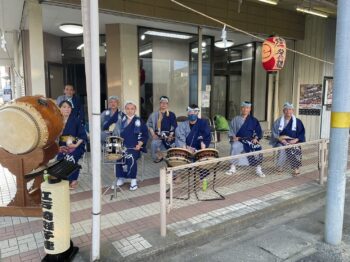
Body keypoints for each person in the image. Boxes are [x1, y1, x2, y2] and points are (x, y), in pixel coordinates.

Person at [112, 101, 148, 191]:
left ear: (135, 110)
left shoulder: (139, 121)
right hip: (122, 146)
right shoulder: (121, 121)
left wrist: (140, 144)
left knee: (130, 157)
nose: (130, 111)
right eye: (128, 108)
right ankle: (120, 177)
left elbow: (145, 135)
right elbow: (115, 134)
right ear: (125, 109)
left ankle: (133, 180)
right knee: (117, 156)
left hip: (134, 147)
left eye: (132, 109)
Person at [226, 101, 265, 177]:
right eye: (243, 107)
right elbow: (231, 131)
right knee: (234, 146)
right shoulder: (235, 119)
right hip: (239, 140)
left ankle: (258, 168)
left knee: (258, 148)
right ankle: (233, 166)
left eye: (247, 108)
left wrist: (256, 138)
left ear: (250, 109)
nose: (245, 109)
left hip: (250, 140)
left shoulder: (254, 120)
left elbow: (258, 131)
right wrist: (233, 137)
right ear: (241, 108)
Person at [57, 100, 87, 189]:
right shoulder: (57, 121)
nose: (67, 109)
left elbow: (83, 136)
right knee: (61, 159)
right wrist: (58, 147)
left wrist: (76, 145)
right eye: (64, 107)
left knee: (71, 157)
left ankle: (72, 180)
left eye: (69, 107)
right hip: (63, 146)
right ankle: (65, 178)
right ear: (60, 108)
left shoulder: (75, 120)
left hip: (77, 145)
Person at [270, 102, 305, 176]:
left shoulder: (298, 121)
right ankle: (280, 166)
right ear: (283, 111)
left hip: (294, 140)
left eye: (290, 109)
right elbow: (274, 132)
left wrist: (296, 140)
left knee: (295, 148)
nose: (288, 111)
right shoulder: (278, 121)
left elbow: (302, 132)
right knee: (282, 148)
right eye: (286, 110)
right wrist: (280, 139)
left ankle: (296, 168)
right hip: (281, 140)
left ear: (293, 111)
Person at [147, 96, 177, 163]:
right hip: (158, 135)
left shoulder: (171, 114)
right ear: (160, 104)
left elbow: (174, 126)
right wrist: (153, 134)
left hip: (169, 136)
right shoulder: (154, 114)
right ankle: (158, 157)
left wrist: (171, 135)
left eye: (165, 103)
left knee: (174, 145)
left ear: (167, 104)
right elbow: (149, 125)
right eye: (162, 103)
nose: (163, 104)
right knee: (153, 143)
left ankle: (168, 156)